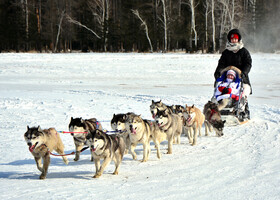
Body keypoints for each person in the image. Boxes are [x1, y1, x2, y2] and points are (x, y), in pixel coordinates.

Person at [214, 29, 252, 120]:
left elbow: (248, 63)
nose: (234, 40)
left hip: (241, 77)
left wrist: (244, 73)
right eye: (232, 39)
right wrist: (218, 72)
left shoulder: (244, 51)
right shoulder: (226, 52)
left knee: (244, 91)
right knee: (220, 89)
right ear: (229, 40)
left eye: (235, 39)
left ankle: (242, 110)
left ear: (238, 39)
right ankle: (219, 108)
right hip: (227, 77)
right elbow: (221, 64)